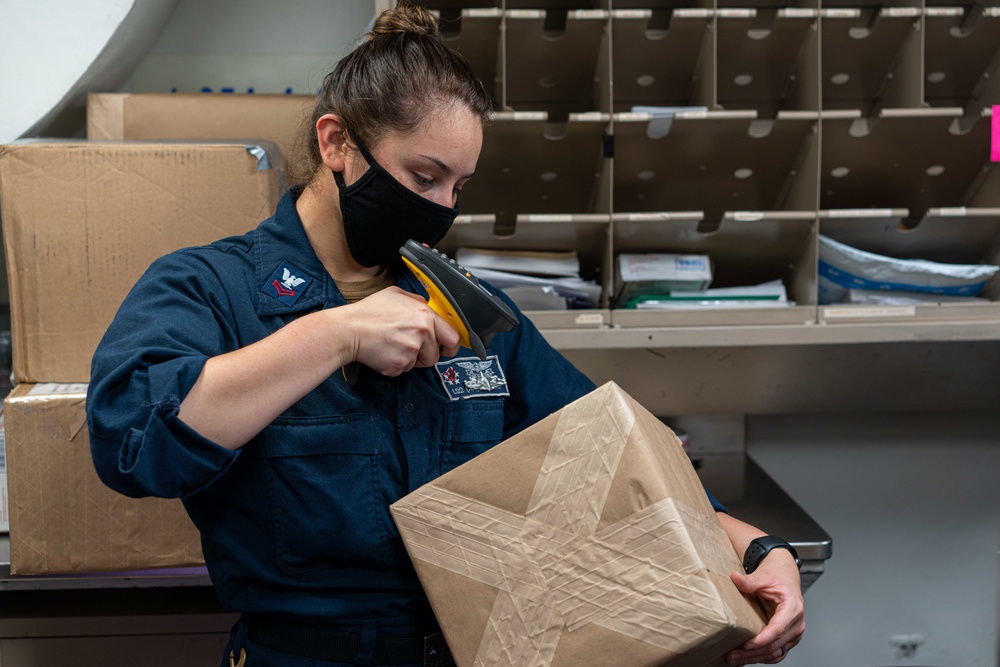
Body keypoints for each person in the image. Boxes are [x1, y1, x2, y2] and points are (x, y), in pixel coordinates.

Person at [85, 4, 804, 666]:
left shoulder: (466, 309)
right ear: (336, 142)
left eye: (457, 188)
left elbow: (611, 454)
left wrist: (759, 546)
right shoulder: (211, 287)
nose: (438, 208)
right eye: (423, 175)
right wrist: (333, 335)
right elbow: (131, 445)